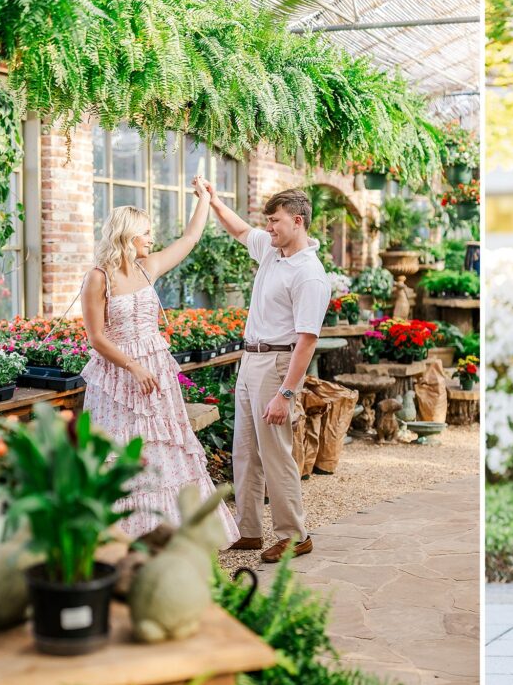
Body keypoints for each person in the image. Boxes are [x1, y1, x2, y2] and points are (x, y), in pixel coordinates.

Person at [80, 177, 240, 547]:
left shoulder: (146, 267)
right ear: (128, 236)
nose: (152, 239)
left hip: (158, 371)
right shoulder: (98, 277)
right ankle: (126, 541)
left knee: (164, 447)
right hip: (118, 379)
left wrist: (204, 198)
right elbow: (96, 338)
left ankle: (176, 534)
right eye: (147, 233)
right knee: (126, 451)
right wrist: (133, 366)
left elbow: (189, 239)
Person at [205, 182, 329, 563]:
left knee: (276, 453)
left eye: (274, 221)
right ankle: (249, 531)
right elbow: (241, 230)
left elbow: (307, 341)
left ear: (297, 220)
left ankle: (295, 535)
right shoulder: (273, 253)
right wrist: (213, 200)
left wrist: (286, 394)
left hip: (278, 364)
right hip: (250, 360)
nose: (269, 228)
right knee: (244, 450)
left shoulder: (309, 274)